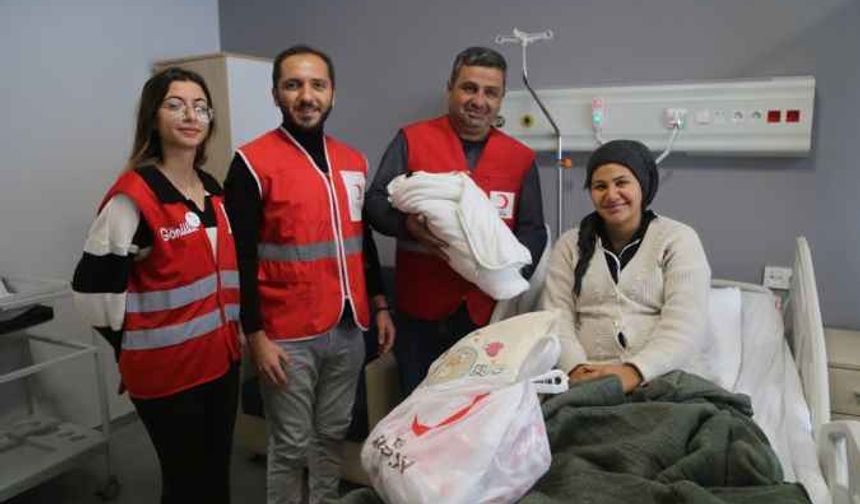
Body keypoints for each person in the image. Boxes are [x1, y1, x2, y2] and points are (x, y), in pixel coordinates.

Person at [222, 45, 395, 504]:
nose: (306, 95)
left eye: (317, 84)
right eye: (293, 84)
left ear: (332, 93)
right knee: (291, 444)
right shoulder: (251, 163)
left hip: (348, 326)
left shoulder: (353, 161)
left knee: (332, 433)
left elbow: (364, 243)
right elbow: (239, 260)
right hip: (286, 335)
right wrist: (255, 336)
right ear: (276, 94)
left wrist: (379, 304)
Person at [72, 67, 241, 504]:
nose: (191, 115)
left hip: (220, 362)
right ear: (153, 117)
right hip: (168, 376)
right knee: (186, 483)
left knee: (217, 475)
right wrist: (128, 350)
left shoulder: (212, 189)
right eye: (175, 104)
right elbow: (91, 295)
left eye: (200, 107)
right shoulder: (135, 197)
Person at [365, 46, 547, 396]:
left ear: (501, 98)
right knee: (418, 411)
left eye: (490, 92)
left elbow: (533, 230)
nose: (479, 100)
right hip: (420, 313)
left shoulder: (520, 159)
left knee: (473, 417)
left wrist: (507, 279)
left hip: (485, 318)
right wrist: (407, 225)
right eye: (469, 88)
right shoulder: (411, 140)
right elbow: (374, 203)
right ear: (450, 87)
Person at [539, 139, 711, 392]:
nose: (611, 195)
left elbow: (686, 326)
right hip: (584, 381)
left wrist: (634, 372)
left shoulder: (677, 240)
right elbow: (557, 318)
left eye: (621, 183)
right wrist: (577, 369)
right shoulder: (569, 245)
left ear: (642, 186)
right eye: (600, 186)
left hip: (662, 379)